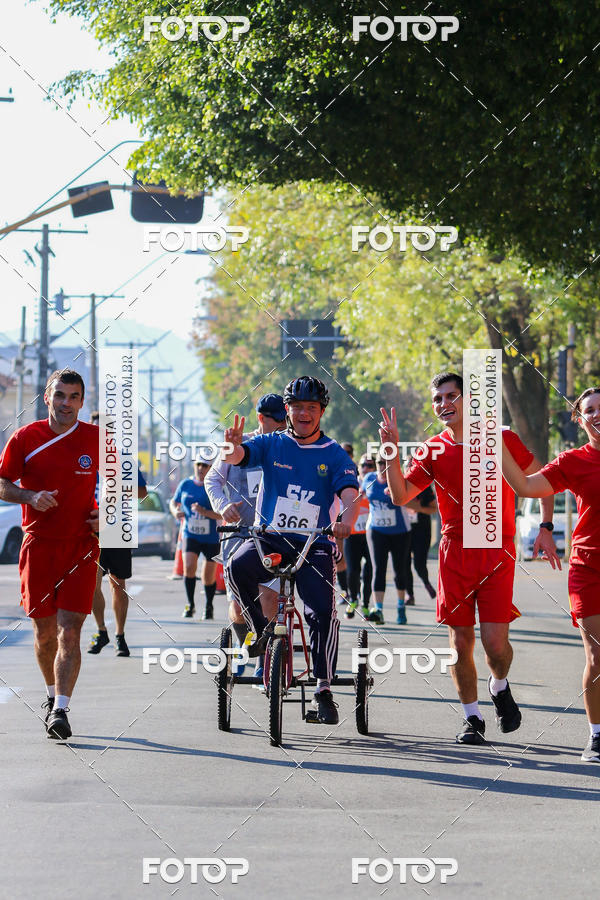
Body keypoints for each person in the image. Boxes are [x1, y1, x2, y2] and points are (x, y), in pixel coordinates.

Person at [380, 371, 557, 745]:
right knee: (460, 642)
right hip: (454, 550)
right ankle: (472, 717)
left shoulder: (501, 439)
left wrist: (545, 526)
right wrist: (391, 451)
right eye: (438, 399)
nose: (444, 404)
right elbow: (400, 495)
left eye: (451, 396)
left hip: (496, 549)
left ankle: (499, 685)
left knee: (495, 645)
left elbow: (541, 479)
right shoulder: (431, 449)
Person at [224, 376, 359, 724]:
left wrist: (345, 518)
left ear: (321, 412)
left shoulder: (334, 454)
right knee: (237, 566)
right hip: (271, 538)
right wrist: (234, 448)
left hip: (314, 543)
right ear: (287, 411)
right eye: (297, 407)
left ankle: (323, 688)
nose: (304, 414)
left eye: (311, 408)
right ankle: (259, 633)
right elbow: (242, 457)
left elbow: (348, 494)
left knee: (321, 612)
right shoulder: (271, 443)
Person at [0, 369, 100, 740]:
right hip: (38, 545)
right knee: (44, 635)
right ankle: (49, 695)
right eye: (60, 395)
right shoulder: (26, 437)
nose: (66, 403)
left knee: (69, 631)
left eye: (74, 397)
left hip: (81, 547)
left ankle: (61, 709)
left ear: (82, 401)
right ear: (47, 397)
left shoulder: (97, 439)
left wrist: (107, 515)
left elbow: (129, 489)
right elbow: (2, 482)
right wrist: (29, 496)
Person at [502, 386, 600, 762]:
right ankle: (596, 736)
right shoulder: (572, 461)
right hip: (589, 568)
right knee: (597, 654)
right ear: (579, 419)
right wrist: (499, 450)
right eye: (588, 410)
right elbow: (526, 487)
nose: (596, 414)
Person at [205, 393, 286, 680]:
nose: (282, 427)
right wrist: (223, 506)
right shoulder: (240, 445)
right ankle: (246, 642)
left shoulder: (289, 446)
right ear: (261, 418)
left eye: (284, 422)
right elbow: (212, 479)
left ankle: (266, 657)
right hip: (237, 533)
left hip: (274, 535)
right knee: (238, 604)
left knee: (270, 596)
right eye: (277, 422)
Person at [362, 454, 412, 625]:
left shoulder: (399, 480)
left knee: (399, 570)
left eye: (387, 463)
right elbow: (360, 494)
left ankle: (400, 607)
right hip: (376, 529)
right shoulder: (369, 478)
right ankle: (379, 610)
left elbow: (409, 500)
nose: (383, 466)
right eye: (379, 463)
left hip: (400, 531)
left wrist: (397, 493)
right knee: (378, 569)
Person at [170, 460, 221, 619]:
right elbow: (174, 502)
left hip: (211, 536)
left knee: (208, 576)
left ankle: (209, 605)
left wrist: (204, 512)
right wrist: (175, 512)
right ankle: (190, 604)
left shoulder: (214, 486)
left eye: (205, 465)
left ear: (210, 468)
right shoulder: (185, 484)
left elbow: (221, 514)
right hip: (190, 534)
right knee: (189, 567)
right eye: (198, 464)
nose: (201, 468)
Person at [344, 453, 373, 620]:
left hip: (370, 535)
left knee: (369, 571)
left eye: (370, 465)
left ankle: (367, 605)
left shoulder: (377, 483)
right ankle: (352, 599)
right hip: (353, 533)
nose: (366, 468)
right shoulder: (352, 483)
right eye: (363, 465)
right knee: (353, 570)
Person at [404, 485, 438, 605]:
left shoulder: (424, 488)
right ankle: (410, 595)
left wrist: (418, 508)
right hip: (403, 531)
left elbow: (434, 509)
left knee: (419, 563)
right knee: (404, 564)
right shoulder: (399, 486)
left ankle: (426, 582)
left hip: (422, 531)